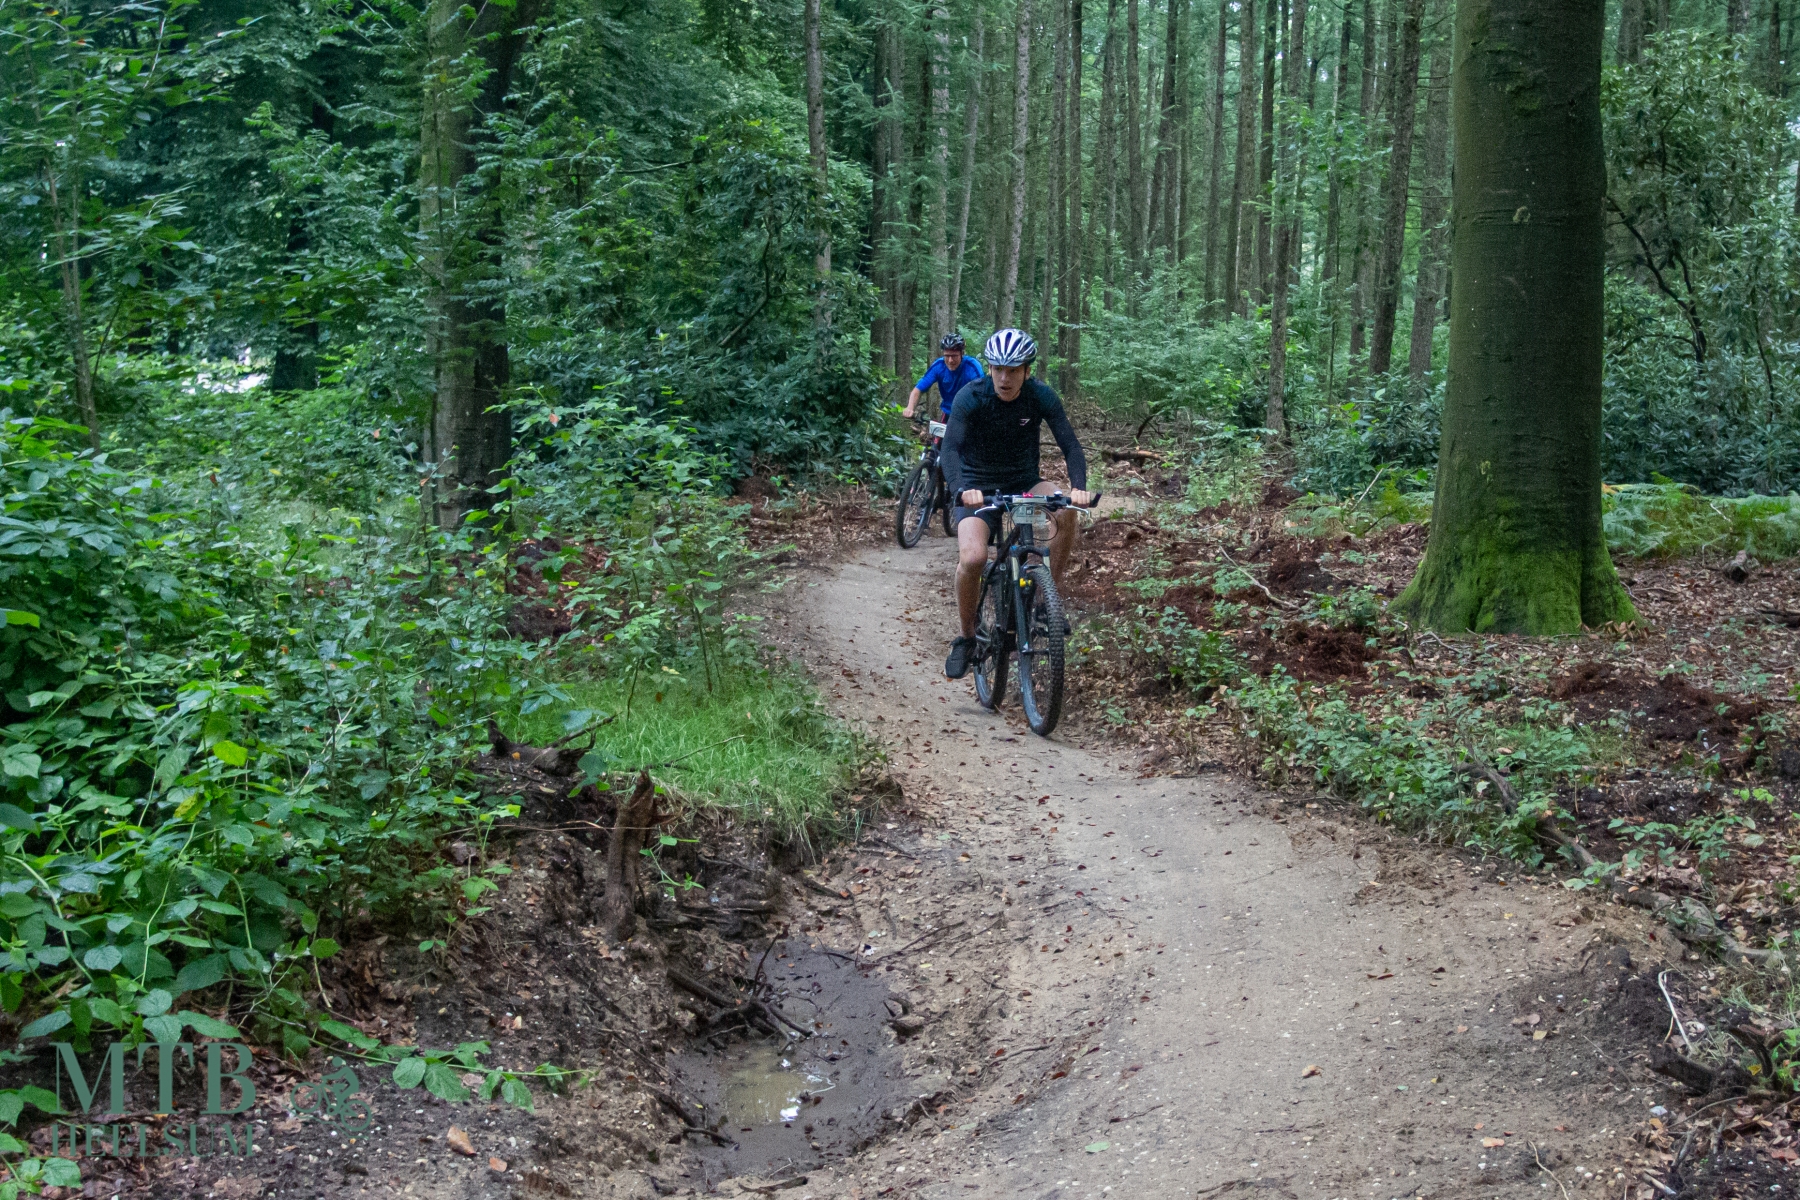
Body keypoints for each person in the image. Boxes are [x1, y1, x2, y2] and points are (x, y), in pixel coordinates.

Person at [939, 329, 1094, 680]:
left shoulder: (1040, 395)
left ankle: (1046, 602)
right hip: (977, 488)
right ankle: (966, 637)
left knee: (1066, 509)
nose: (1004, 378)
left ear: (1027, 370)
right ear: (990, 368)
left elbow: (1070, 444)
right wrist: (961, 489)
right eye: (998, 369)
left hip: (1023, 484)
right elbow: (950, 448)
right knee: (974, 558)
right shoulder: (971, 396)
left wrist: (1079, 488)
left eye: (1013, 370)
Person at [903, 333, 985, 421]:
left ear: (962, 354)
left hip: (970, 413)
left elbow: (982, 392)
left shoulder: (972, 366)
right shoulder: (939, 366)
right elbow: (918, 389)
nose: (950, 360)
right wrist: (910, 408)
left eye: (954, 356)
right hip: (949, 413)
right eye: (947, 356)